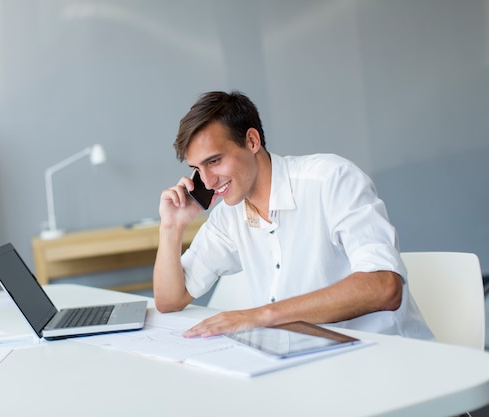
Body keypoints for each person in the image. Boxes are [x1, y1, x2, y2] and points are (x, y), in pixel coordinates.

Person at [153, 90, 433, 340]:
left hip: (384, 360)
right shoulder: (229, 215)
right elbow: (170, 300)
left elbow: (384, 286)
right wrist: (171, 227)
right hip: (309, 367)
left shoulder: (330, 180)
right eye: (198, 169)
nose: (209, 181)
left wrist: (259, 316)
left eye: (214, 161)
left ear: (252, 141)